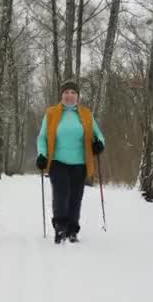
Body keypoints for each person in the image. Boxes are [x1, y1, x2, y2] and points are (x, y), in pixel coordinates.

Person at [36, 79, 105, 244]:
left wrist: (99, 144)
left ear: (78, 96)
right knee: (61, 193)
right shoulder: (51, 113)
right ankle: (60, 227)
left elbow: (98, 135)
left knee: (75, 196)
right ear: (61, 95)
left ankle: (72, 229)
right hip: (57, 161)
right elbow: (42, 137)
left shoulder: (86, 114)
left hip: (80, 163)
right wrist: (42, 154)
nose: (69, 96)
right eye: (66, 92)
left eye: (73, 93)